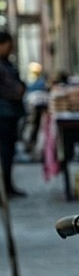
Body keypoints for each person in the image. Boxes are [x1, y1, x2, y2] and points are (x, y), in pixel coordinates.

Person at [0, 31, 27, 197]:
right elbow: (13, 89)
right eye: (8, 46)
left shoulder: (6, 63)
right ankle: (5, 187)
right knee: (5, 152)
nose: (11, 49)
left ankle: (7, 186)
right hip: (4, 114)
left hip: (10, 113)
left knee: (9, 152)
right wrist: (19, 89)